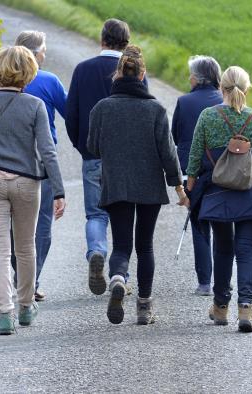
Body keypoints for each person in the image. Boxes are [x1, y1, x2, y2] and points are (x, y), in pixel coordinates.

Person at [87, 45, 186, 325]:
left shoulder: (102, 108)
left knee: (121, 246)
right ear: (142, 74)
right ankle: (144, 307)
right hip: (149, 187)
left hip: (116, 184)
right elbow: (168, 152)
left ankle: (118, 277)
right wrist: (178, 186)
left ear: (118, 73)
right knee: (145, 247)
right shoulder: (155, 109)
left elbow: (92, 147)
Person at [0, 46, 66, 335]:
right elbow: (47, 151)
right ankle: (26, 307)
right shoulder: (35, 105)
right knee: (26, 247)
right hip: (27, 183)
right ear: (29, 71)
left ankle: (4, 314)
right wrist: (59, 190)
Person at [186, 66, 252, 333]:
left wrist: (190, 190)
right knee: (246, 250)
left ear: (220, 88)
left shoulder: (207, 117)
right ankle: (246, 307)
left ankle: (221, 307)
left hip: (218, 196)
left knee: (223, 249)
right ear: (247, 89)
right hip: (250, 196)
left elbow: (194, 160)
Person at [66, 19, 147, 295]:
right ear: (127, 41)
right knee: (124, 219)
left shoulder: (82, 70)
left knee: (96, 214)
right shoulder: (134, 70)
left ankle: (96, 252)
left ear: (102, 39)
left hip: (94, 156)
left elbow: (72, 115)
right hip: (127, 160)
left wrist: (83, 148)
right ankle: (118, 271)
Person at [0, 31, 67, 302]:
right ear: (34, 56)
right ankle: (28, 290)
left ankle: (8, 300)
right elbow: (55, 138)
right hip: (34, 170)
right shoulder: (46, 87)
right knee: (36, 232)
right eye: (43, 49)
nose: (45, 54)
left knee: (2, 241)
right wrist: (59, 190)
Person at [171, 55, 223, 296]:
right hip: (225, 173)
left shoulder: (184, 102)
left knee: (200, 226)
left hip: (193, 174)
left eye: (190, 74)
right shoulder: (225, 100)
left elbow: (175, 136)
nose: (189, 78)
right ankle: (224, 280)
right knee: (224, 227)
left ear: (197, 78)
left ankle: (204, 283)